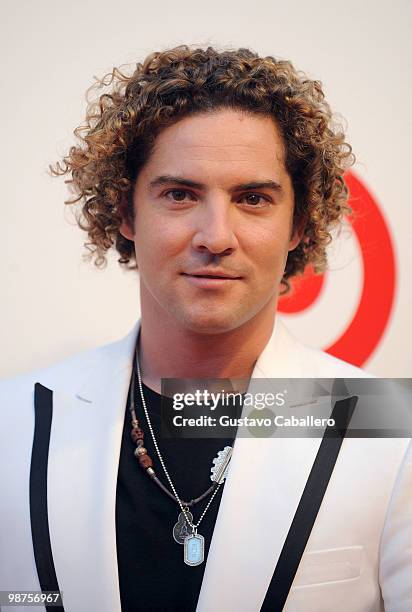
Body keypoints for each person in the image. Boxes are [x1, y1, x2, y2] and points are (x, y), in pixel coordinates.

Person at [0, 45, 410, 612]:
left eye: (253, 199)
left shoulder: (394, 433)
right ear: (125, 212)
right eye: (180, 194)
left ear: (298, 223)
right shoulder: (12, 422)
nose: (216, 235)